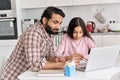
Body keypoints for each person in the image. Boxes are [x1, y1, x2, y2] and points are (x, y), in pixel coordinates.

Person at [1, 6, 65, 80]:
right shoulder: (33, 33)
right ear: (44, 20)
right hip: (15, 77)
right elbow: (35, 65)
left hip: (29, 75)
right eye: (55, 22)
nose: (58, 27)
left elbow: (49, 57)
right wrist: (61, 65)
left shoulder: (49, 33)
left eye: (60, 23)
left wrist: (62, 59)